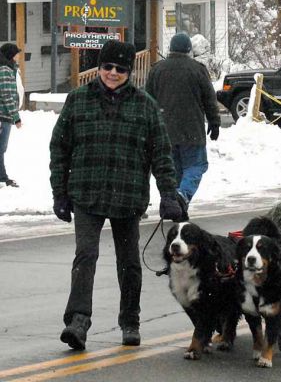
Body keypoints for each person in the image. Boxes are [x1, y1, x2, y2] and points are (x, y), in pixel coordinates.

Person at [49, 40, 184, 351]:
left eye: (120, 68)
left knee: (129, 262)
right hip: (87, 192)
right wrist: (59, 192)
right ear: (99, 67)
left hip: (128, 195)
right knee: (86, 256)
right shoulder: (78, 100)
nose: (113, 73)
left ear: (128, 72)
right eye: (107, 66)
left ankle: (130, 321)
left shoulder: (146, 105)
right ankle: (77, 321)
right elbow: (60, 147)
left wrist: (169, 194)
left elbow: (161, 153)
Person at [145, 32, 220, 213]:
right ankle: (182, 196)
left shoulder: (157, 70)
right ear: (189, 49)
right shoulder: (198, 69)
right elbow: (209, 98)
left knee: (171, 172)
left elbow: (147, 100)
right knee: (196, 166)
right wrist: (214, 121)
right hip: (192, 130)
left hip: (164, 132)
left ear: (170, 48)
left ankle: (171, 203)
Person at [0, 43, 23, 188]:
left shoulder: (9, 69)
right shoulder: (4, 70)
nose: (18, 56)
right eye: (16, 53)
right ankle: (2, 178)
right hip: (3, 116)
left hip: (4, 116)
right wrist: (16, 117)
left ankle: (2, 177)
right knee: (1, 148)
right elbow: (6, 95)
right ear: (10, 55)